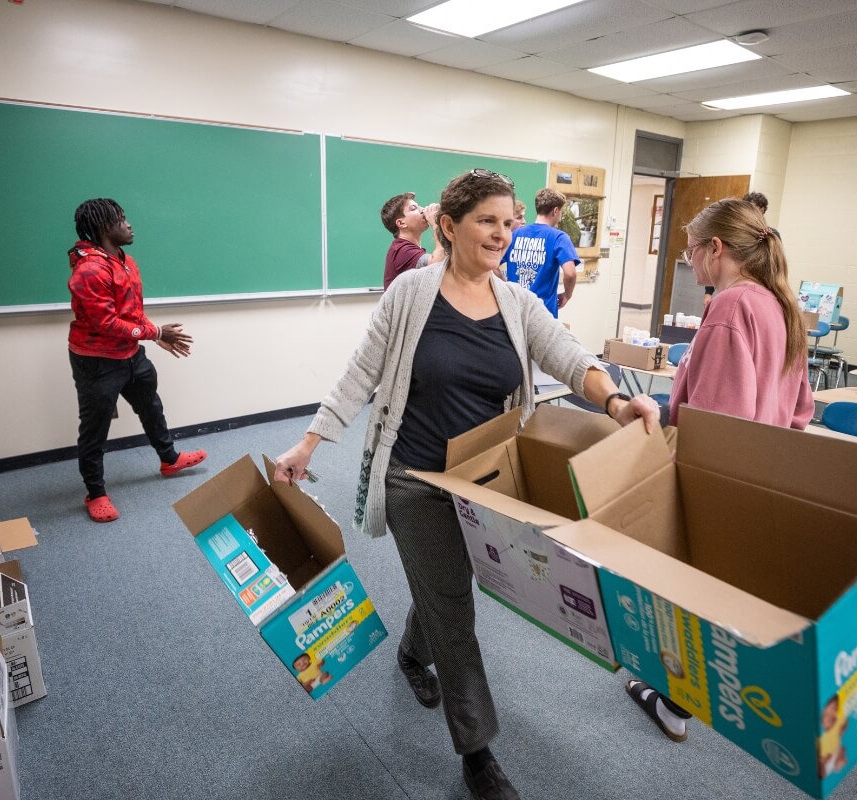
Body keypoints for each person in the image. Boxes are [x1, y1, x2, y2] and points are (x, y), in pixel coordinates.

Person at [274, 170, 660, 800]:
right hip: (415, 479)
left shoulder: (516, 303)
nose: (502, 234)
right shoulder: (410, 294)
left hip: (485, 482)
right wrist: (310, 442)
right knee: (456, 609)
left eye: (509, 222)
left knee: (448, 586)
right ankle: (478, 752)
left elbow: (567, 353)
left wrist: (617, 402)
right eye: (488, 221)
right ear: (449, 227)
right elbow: (360, 374)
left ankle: (408, 653)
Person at [625, 196, 814, 740]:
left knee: (688, 587)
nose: (689, 262)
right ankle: (702, 691)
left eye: (690, 251)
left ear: (717, 248)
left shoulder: (732, 306)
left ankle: (675, 704)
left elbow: (714, 420)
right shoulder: (781, 305)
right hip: (763, 473)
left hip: (719, 477)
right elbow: (800, 411)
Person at [67, 198, 208, 523]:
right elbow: (105, 323)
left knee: (151, 406)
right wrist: (156, 332)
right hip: (96, 361)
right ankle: (96, 492)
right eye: (121, 220)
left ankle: (169, 459)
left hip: (131, 353)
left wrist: (150, 334)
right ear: (104, 228)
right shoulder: (89, 270)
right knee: (94, 428)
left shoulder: (125, 260)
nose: (129, 224)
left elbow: (130, 312)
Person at [504, 188, 578, 316]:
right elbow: (570, 273)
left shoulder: (514, 234)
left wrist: (504, 284)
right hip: (543, 314)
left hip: (514, 311)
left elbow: (492, 267)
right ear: (555, 211)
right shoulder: (559, 237)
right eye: (560, 212)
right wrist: (567, 295)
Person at [702, 191, 779, 308]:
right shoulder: (735, 234)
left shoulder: (771, 236)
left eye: (753, 209)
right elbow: (719, 262)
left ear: (762, 210)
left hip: (757, 292)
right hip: (733, 288)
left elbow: (774, 270)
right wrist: (708, 292)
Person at [381, 192, 444, 290]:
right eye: (414, 208)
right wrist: (436, 225)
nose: (423, 210)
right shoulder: (402, 251)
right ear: (401, 223)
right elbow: (438, 263)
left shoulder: (411, 249)